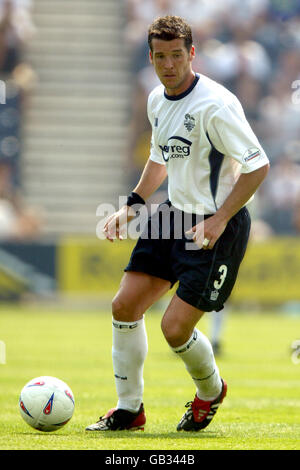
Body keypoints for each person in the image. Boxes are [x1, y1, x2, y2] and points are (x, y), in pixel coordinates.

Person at [86, 15, 269, 432]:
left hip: (214, 225)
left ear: (191, 54)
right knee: (124, 305)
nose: (169, 65)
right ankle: (129, 411)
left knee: (173, 329)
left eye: (176, 56)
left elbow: (258, 166)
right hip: (171, 214)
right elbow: (160, 157)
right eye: (160, 57)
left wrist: (220, 220)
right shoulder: (156, 99)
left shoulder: (215, 105)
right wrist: (133, 203)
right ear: (151, 57)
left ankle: (210, 391)